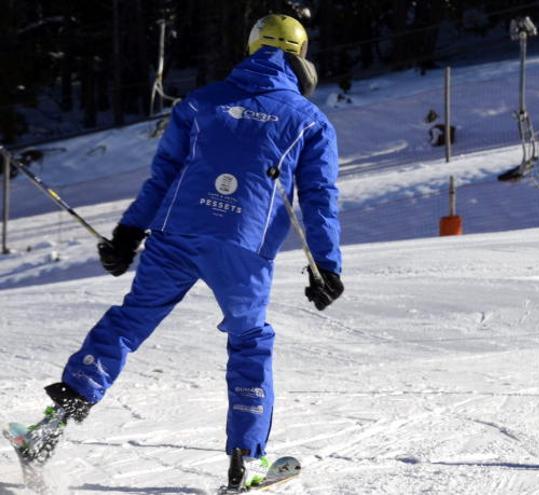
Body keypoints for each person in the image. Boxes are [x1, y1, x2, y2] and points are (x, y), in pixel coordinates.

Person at [14, 14, 343, 491]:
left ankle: (48, 430)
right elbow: (319, 196)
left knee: (131, 321)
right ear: (302, 57)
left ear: (251, 47)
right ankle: (242, 464)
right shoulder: (310, 120)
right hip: (242, 248)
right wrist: (326, 266)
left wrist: (129, 233)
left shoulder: (202, 102)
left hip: (176, 233)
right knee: (249, 342)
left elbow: (164, 173)